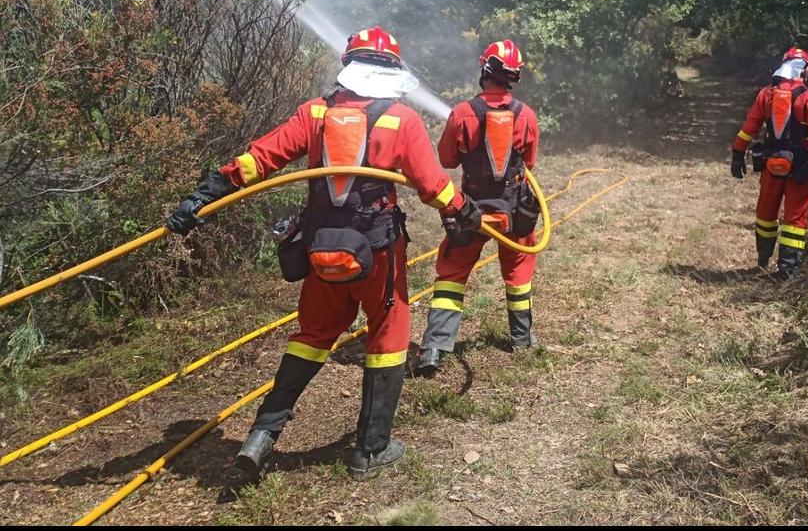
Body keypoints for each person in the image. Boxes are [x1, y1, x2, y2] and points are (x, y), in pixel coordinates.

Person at [165, 26, 481, 480]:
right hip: (377, 253)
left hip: (321, 250)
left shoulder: (314, 113)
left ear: (349, 66)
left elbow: (259, 160)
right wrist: (463, 210)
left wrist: (203, 197)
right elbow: (433, 186)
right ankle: (371, 450)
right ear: (392, 70)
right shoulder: (400, 120)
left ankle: (261, 436)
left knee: (312, 334)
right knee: (389, 334)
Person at [415, 39, 540, 376]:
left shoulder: (462, 113)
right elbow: (529, 161)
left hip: (470, 213)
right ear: (513, 76)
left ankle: (434, 349)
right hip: (513, 215)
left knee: (451, 276)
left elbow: (445, 159)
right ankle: (522, 339)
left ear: (484, 70)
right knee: (519, 273)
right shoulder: (526, 115)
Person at [730, 46, 808, 280]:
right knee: (795, 219)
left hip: (770, 164)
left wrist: (738, 154)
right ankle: (787, 270)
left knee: (765, 212)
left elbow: (749, 129)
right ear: (804, 69)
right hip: (799, 167)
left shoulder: (765, 95)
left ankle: (762, 259)